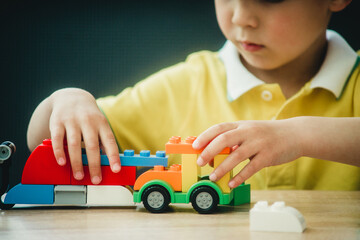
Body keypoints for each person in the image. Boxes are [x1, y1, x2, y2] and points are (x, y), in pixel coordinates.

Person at [27, 0, 360, 190]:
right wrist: (66, 100)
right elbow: (45, 142)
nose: (241, 17)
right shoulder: (183, 85)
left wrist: (297, 134)